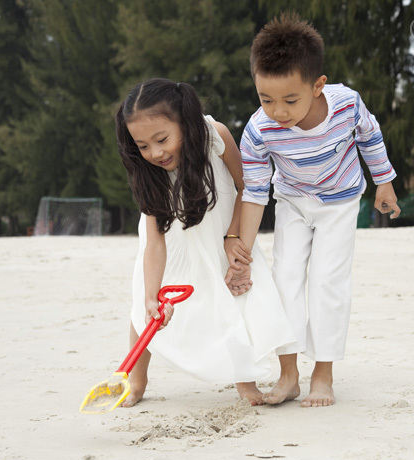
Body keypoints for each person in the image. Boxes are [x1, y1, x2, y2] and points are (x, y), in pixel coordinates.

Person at [230, 13, 401, 408]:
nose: (278, 111)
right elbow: (255, 193)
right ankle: (288, 374)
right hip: (292, 200)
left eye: (290, 100)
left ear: (318, 85)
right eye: (266, 99)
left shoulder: (345, 105)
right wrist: (242, 249)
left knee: (327, 281)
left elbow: (370, 136)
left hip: (341, 201)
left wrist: (384, 181)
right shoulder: (258, 130)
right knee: (284, 278)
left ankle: (323, 372)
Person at [115, 78, 295, 407]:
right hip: (173, 243)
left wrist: (233, 236)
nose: (154, 153)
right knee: (147, 306)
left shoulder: (216, 136)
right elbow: (155, 242)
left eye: (162, 139)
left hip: (223, 232)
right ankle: (135, 380)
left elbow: (247, 188)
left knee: (236, 298)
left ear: (185, 122)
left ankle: (245, 380)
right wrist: (150, 294)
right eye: (142, 145)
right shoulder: (147, 169)